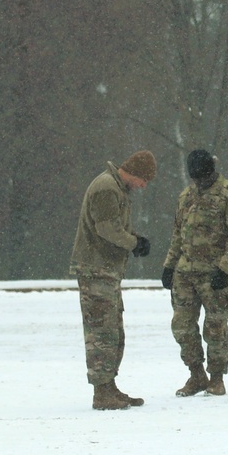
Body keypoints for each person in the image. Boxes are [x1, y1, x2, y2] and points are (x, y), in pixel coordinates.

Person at [70, 150, 157, 410]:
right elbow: (106, 228)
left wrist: (135, 240)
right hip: (96, 268)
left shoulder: (117, 189)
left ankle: (109, 386)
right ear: (136, 173)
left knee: (113, 329)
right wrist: (134, 243)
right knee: (101, 331)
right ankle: (101, 391)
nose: (144, 186)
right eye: (145, 180)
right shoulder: (107, 188)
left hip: (106, 269)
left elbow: (113, 226)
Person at [161, 149, 228, 397]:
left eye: (204, 176)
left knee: (216, 328)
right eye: (196, 177)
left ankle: (217, 378)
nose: (200, 182)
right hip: (185, 273)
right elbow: (178, 233)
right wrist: (169, 265)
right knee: (182, 326)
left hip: (214, 274)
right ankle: (196, 374)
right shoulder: (186, 196)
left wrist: (225, 268)